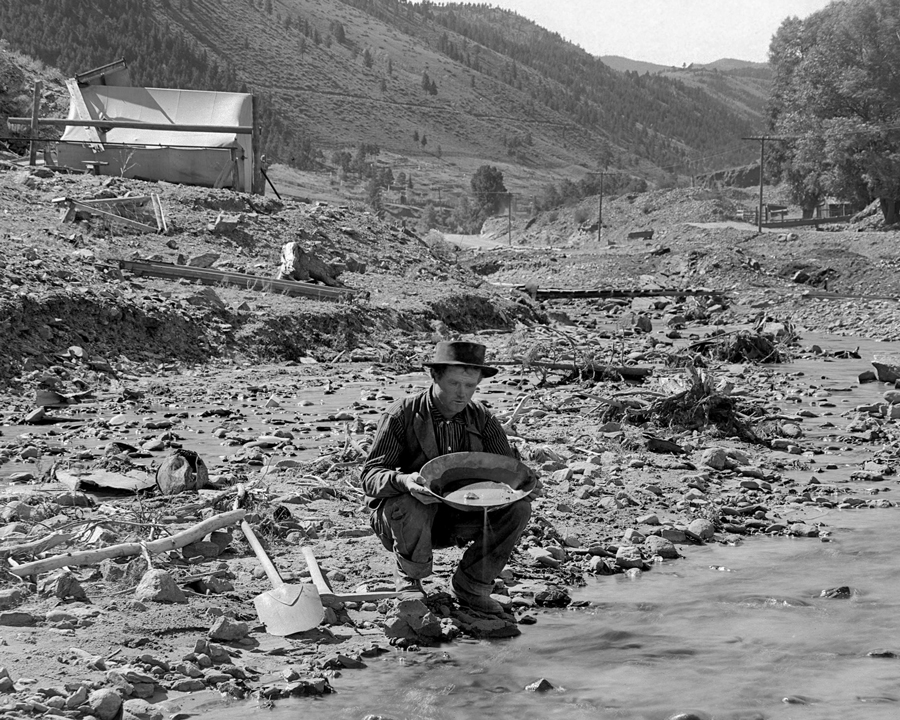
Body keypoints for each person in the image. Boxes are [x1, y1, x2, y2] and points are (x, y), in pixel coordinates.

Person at [361, 340, 533, 615]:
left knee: (520, 508)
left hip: (460, 517)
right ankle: (410, 580)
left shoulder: (482, 419)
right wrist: (405, 481)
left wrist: (524, 487)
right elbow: (370, 476)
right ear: (435, 376)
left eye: (470, 386)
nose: (462, 394)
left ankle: (473, 585)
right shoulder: (402, 414)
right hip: (403, 521)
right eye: (454, 384)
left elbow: (508, 471)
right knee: (412, 500)